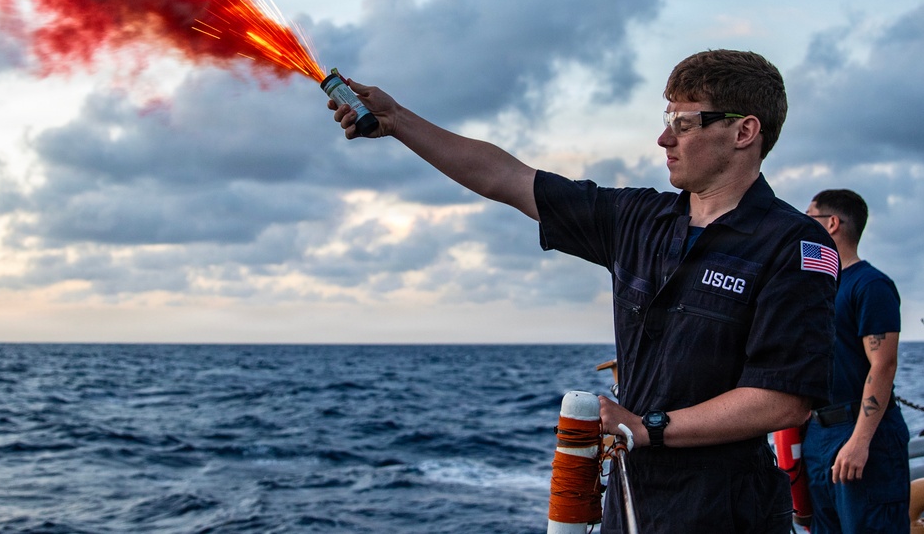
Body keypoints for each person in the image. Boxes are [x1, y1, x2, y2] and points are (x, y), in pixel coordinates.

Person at [328, 49, 837, 533]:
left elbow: (783, 399)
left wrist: (647, 427)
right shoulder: (639, 220)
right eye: (667, 120)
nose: (665, 139)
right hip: (632, 498)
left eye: (684, 123)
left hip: (726, 509)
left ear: (744, 131)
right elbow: (506, 177)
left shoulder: (795, 244)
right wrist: (397, 120)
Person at [803, 189, 910, 534]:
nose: (801, 224)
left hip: (863, 435)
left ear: (831, 224)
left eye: (810, 216)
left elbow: (884, 365)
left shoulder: (871, 284)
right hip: (819, 435)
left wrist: (860, 441)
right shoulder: (820, 287)